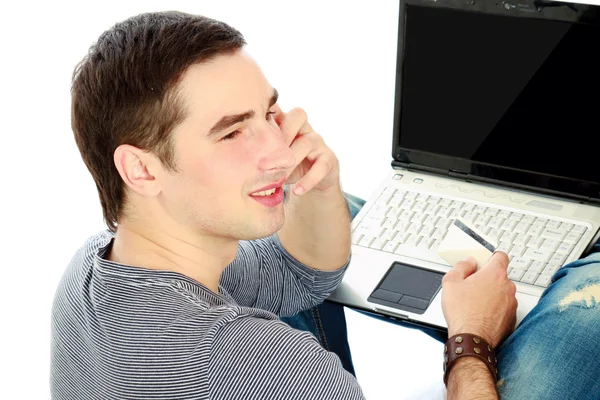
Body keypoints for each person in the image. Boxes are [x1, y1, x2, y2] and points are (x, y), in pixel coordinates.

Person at [50, 11, 600, 400]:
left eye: (269, 113)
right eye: (231, 133)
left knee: (348, 208)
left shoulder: (95, 271)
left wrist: (321, 185)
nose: (278, 151)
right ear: (141, 168)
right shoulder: (275, 369)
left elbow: (297, 277)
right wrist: (470, 343)